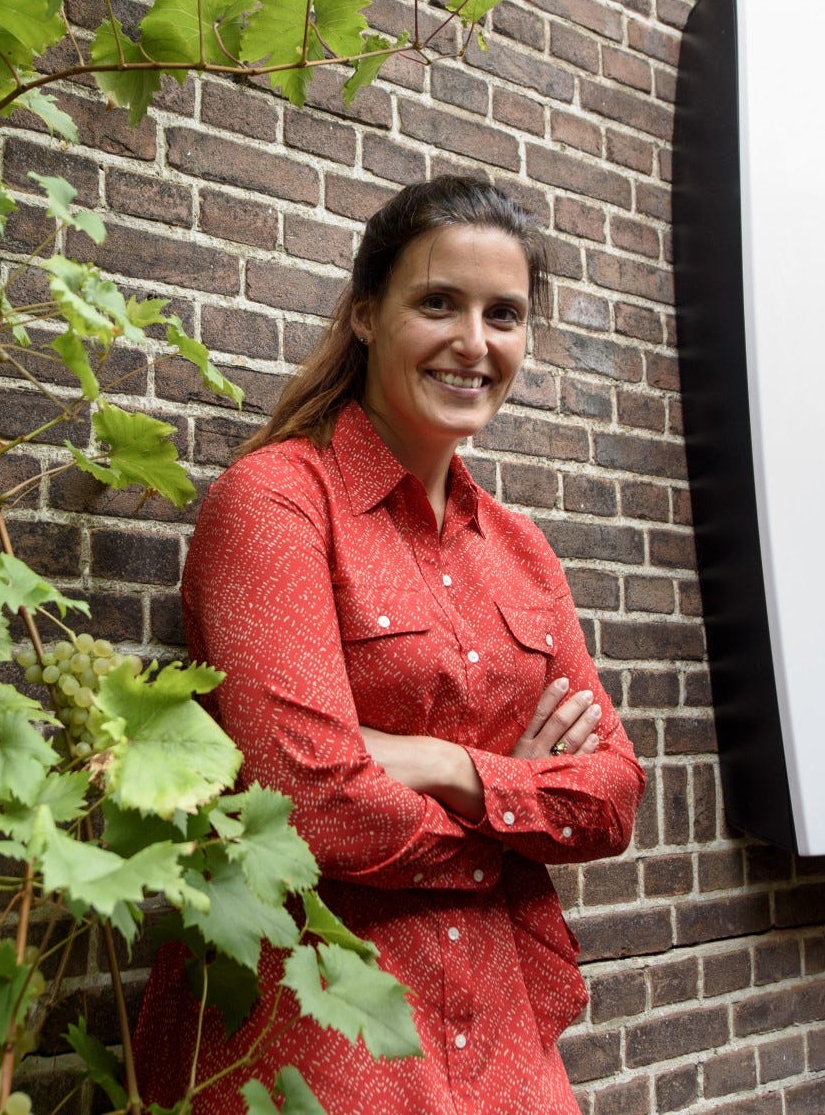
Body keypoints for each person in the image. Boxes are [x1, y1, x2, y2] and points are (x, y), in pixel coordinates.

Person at [132, 176, 647, 1113]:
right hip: (319, 1041)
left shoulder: (523, 552)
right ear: (366, 314)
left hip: (505, 1049)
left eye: (503, 315)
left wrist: (447, 767)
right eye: (438, 303)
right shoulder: (279, 502)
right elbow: (310, 805)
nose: (474, 342)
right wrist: (514, 815)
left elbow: (611, 798)